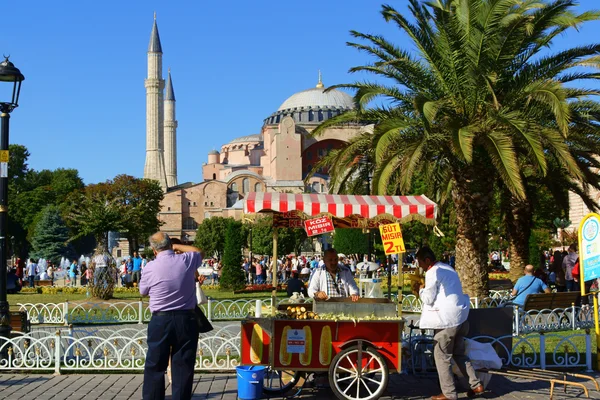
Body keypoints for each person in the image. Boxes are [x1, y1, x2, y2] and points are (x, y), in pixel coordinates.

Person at [139, 232, 203, 400]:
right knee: (183, 366)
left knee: (155, 366)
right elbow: (198, 251)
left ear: (153, 250)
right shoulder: (186, 260)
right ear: (170, 244)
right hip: (186, 318)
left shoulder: (150, 267)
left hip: (161, 320)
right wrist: (176, 246)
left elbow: (143, 291)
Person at [417, 246, 482, 400]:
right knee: (459, 354)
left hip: (446, 321)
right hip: (461, 317)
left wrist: (420, 290)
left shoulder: (433, 272)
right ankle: (476, 384)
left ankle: (449, 393)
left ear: (427, 260)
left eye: (420, 262)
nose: (419, 266)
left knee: (441, 356)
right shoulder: (447, 268)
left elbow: (428, 298)